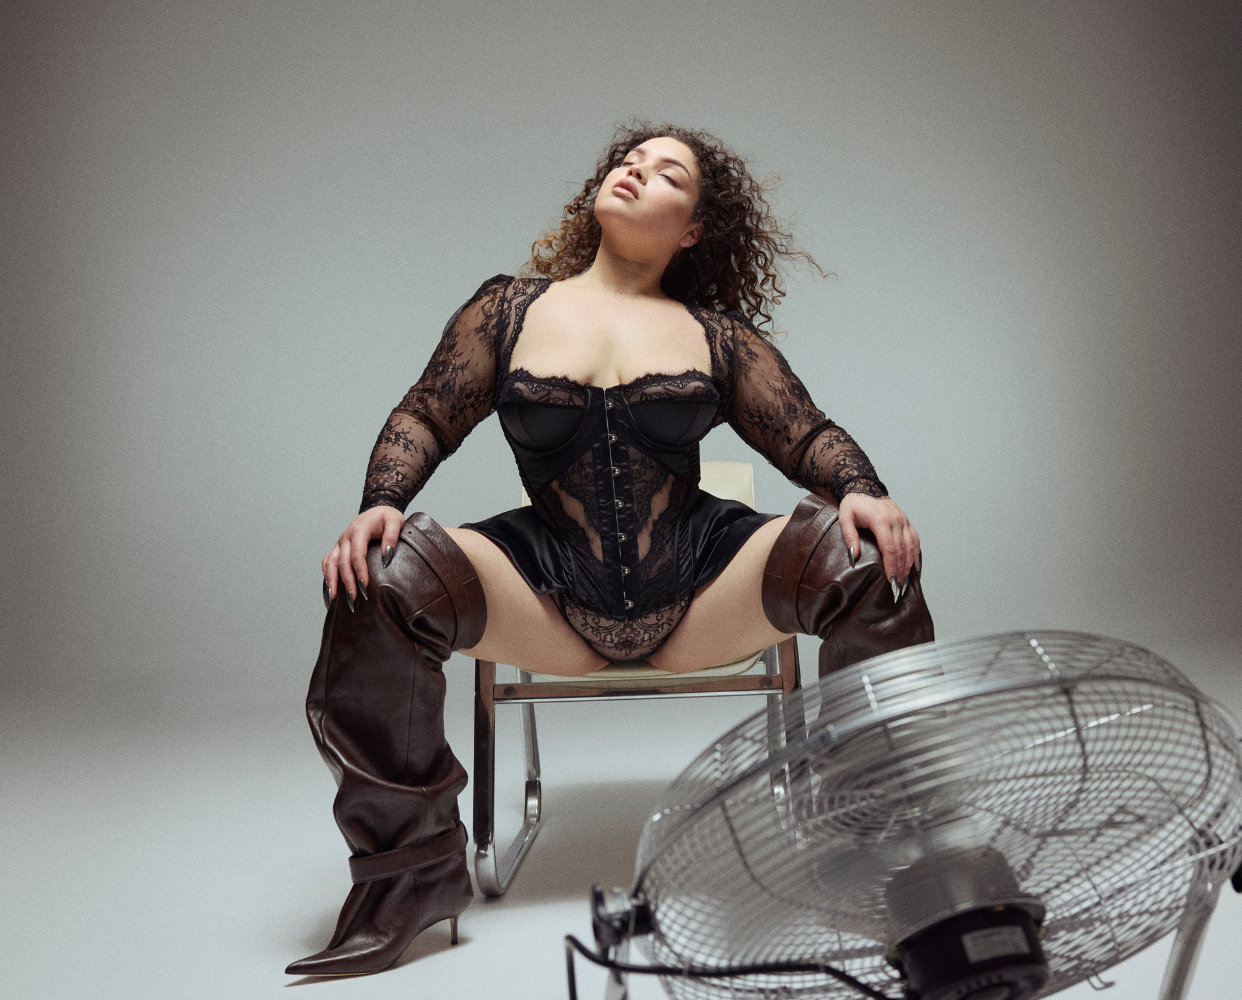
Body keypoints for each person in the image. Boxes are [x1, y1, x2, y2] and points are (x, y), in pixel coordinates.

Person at [288, 123, 934, 977]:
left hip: (701, 592)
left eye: (667, 173)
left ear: (694, 229)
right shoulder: (507, 310)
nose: (635, 171)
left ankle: (891, 857)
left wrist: (863, 487)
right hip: (544, 593)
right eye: (630, 160)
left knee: (865, 556)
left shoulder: (716, 336)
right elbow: (426, 414)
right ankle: (404, 880)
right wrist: (381, 504)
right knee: (378, 576)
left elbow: (805, 434)